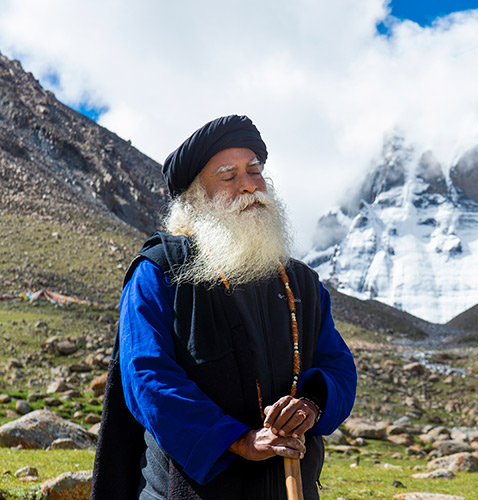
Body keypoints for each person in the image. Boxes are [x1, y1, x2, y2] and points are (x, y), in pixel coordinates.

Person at [91, 115, 357, 500]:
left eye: (255, 171)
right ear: (196, 199)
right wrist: (242, 440)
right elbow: (147, 377)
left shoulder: (301, 282)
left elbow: (339, 366)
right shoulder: (160, 271)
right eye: (228, 177)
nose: (249, 186)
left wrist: (312, 405)